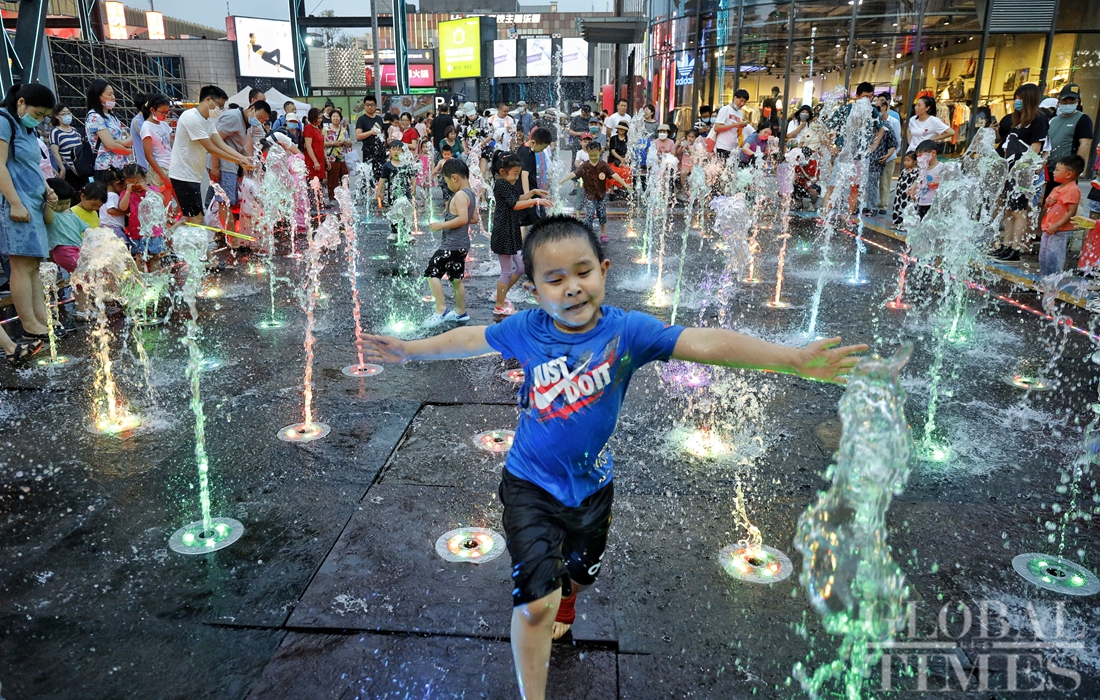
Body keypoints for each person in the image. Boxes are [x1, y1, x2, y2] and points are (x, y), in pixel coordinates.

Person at [355, 215, 864, 700]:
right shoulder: (526, 329)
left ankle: (569, 594)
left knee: (580, 576)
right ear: (533, 288)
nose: (572, 287)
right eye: (555, 279)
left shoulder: (627, 332)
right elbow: (473, 338)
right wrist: (411, 350)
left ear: (604, 271)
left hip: (593, 488)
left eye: (583, 272)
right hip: (529, 484)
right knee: (535, 606)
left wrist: (793, 360)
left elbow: (705, 342)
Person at [0, 83, 59, 343]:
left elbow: (33, 165)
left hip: (33, 201)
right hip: (16, 203)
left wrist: (47, 189)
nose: (39, 120)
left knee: (34, 265)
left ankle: (40, 318)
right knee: (21, 265)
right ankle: (29, 323)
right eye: (38, 114)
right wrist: (15, 203)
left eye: (44, 116)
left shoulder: (26, 127)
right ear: (21, 102)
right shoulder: (4, 121)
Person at [168, 85, 253, 225]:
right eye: (219, 105)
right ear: (208, 100)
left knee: (191, 219)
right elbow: (211, 148)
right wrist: (238, 160)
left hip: (192, 175)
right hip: (183, 175)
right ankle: (169, 235)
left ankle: (169, 235)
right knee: (196, 219)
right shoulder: (191, 117)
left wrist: (242, 158)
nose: (220, 109)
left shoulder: (208, 122)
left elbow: (221, 144)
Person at [990, 83, 1049, 262]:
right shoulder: (1018, 121)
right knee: (1008, 211)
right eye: (1016, 98)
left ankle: (1016, 247)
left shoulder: (1039, 119)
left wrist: (1024, 169)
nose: (1017, 102)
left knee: (1019, 211)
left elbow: (1036, 148)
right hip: (1010, 170)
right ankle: (1006, 244)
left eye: (1020, 99)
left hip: (1023, 172)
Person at [492, 152, 550, 316]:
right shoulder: (501, 184)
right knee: (506, 271)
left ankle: (500, 294)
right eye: (515, 174)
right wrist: (535, 201)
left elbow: (517, 198)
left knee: (522, 266)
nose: (517, 177)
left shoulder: (508, 184)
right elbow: (515, 204)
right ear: (502, 172)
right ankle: (499, 306)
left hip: (511, 230)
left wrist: (532, 193)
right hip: (503, 232)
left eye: (518, 174)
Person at [424, 158, 476, 327]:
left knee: (432, 272)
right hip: (462, 245)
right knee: (456, 278)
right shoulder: (470, 194)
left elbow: (463, 219)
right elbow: (473, 218)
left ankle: (441, 310)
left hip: (451, 245)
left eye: (447, 182)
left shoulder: (460, 195)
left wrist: (441, 225)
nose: (447, 186)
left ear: (454, 178)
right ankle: (461, 312)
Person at [561, 140, 630, 244]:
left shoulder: (603, 165)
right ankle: (588, 233)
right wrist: (563, 180)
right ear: (588, 153)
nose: (593, 157)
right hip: (590, 195)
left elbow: (614, 174)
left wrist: (624, 183)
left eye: (595, 155)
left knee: (602, 215)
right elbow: (574, 173)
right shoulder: (585, 165)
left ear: (600, 152)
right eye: (591, 155)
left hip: (601, 195)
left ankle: (603, 233)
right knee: (589, 214)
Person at [1038, 155, 1085, 277]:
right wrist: (1048, 203)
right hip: (1048, 228)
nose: (1054, 172)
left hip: (1060, 231)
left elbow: (1071, 212)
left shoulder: (1072, 190)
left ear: (1069, 174)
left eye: (1057, 170)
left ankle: (1053, 282)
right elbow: (1047, 206)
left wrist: (1057, 225)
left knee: (1054, 258)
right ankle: (1045, 279)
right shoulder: (1056, 189)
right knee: (1044, 257)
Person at [1045, 84, 1093, 198]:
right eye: (1065, 101)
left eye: (1072, 101)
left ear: (1078, 102)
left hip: (1066, 173)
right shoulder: (1053, 120)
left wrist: (1075, 169)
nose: (1068, 104)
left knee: (1062, 203)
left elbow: (1085, 144)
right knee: (1045, 202)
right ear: (1059, 101)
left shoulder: (1083, 119)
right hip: (1049, 170)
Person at [85, 79, 132, 177]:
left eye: (113, 94)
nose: (113, 98)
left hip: (121, 165)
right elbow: (111, 145)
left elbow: (124, 138)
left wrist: (120, 142)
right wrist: (127, 149)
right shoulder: (94, 117)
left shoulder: (112, 116)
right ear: (98, 96)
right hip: (106, 168)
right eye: (109, 94)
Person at [864, 94, 899, 215]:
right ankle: (868, 205)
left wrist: (888, 156)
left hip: (876, 160)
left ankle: (873, 207)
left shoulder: (886, 126)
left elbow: (894, 143)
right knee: (866, 184)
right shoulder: (867, 126)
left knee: (874, 184)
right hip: (866, 159)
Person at [376, 140, 417, 241]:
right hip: (393, 193)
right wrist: (379, 191)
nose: (396, 152)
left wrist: (413, 187)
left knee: (406, 211)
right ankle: (394, 231)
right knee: (394, 212)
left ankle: (407, 232)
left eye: (398, 150)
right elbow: (382, 178)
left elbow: (412, 177)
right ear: (390, 151)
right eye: (394, 149)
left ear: (402, 152)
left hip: (405, 193)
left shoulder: (406, 164)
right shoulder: (387, 166)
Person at [516, 127, 553, 236]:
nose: (541, 151)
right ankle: (542, 242)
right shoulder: (528, 154)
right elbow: (524, 175)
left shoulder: (522, 148)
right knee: (541, 223)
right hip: (530, 194)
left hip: (524, 192)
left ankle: (520, 244)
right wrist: (528, 197)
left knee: (523, 222)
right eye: (542, 148)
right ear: (533, 142)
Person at [873, 92, 902, 216]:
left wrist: (890, 154)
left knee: (885, 182)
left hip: (889, 156)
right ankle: (872, 204)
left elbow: (897, 140)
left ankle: (883, 205)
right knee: (873, 181)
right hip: (875, 155)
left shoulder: (893, 121)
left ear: (885, 107)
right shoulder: (874, 121)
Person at [138, 94, 173, 195]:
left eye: (167, 112)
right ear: (152, 110)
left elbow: (170, 146)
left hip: (170, 166)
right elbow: (149, 156)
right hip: (159, 168)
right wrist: (164, 177)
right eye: (163, 112)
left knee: (178, 200)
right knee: (164, 201)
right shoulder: (147, 126)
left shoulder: (164, 125)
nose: (166, 115)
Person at [48, 104, 84, 191]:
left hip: (80, 168)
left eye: (68, 113)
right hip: (68, 169)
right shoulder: (55, 131)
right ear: (57, 116)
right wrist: (62, 168)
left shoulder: (74, 130)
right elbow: (55, 152)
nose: (67, 115)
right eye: (64, 114)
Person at [909, 140, 942, 219]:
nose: (919, 159)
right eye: (918, 157)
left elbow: (949, 183)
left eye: (921, 156)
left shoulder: (941, 167)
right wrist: (913, 188)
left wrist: (936, 183)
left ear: (933, 153)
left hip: (934, 203)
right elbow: (919, 180)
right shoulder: (923, 168)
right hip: (922, 202)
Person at [712, 89, 749, 160]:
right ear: (735, 98)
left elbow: (736, 131)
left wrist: (741, 127)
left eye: (744, 102)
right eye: (741, 101)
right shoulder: (725, 109)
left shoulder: (740, 113)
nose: (742, 104)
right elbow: (717, 128)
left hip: (732, 147)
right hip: (722, 146)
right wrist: (735, 125)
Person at [324, 109, 352, 199]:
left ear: (340, 118)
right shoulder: (326, 130)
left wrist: (345, 142)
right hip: (331, 159)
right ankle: (333, 199)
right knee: (332, 180)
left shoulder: (343, 130)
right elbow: (322, 143)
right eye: (334, 116)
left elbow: (350, 144)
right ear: (330, 118)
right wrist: (333, 143)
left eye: (337, 116)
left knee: (344, 179)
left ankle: (345, 198)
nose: (336, 118)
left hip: (343, 159)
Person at [892, 151, 918, 227]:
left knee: (905, 208)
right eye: (905, 160)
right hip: (899, 193)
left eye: (908, 160)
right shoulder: (903, 171)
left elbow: (916, 183)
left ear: (915, 162)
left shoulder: (916, 172)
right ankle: (896, 222)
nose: (905, 162)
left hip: (908, 195)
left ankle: (903, 224)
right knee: (897, 206)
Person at [302, 107, 327, 185]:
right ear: (313, 118)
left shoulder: (318, 128)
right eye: (318, 118)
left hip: (320, 159)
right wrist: (315, 161)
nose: (320, 120)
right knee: (312, 183)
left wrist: (326, 159)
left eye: (321, 118)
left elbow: (322, 146)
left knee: (319, 183)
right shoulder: (308, 128)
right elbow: (308, 146)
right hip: (312, 160)